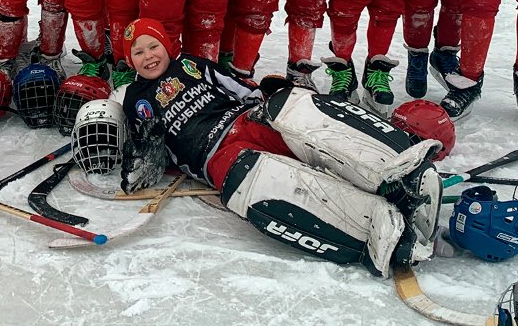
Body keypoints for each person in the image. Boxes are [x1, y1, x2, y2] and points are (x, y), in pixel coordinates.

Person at [83, 18, 440, 278]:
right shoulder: (134, 99)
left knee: (296, 110)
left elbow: (242, 89)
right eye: (137, 52)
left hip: (247, 120)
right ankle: (373, 227)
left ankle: (397, 171)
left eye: (153, 46)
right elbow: (148, 162)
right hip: (217, 156)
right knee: (257, 180)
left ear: (166, 46)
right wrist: (143, 153)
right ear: (129, 62)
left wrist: (272, 99)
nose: (148, 56)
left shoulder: (191, 65)